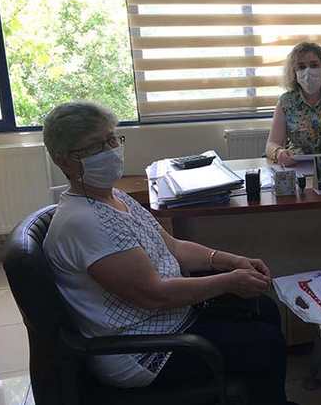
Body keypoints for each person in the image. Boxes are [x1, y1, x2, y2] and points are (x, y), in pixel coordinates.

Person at [42, 101, 294, 405]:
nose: (109, 151)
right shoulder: (83, 222)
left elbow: (173, 247)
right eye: (94, 147)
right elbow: (154, 294)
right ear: (64, 161)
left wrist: (231, 261)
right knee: (264, 344)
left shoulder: (114, 197)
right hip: (143, 351)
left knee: (262, 308)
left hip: (169, 319)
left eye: (112, 140)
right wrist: (229, 281)